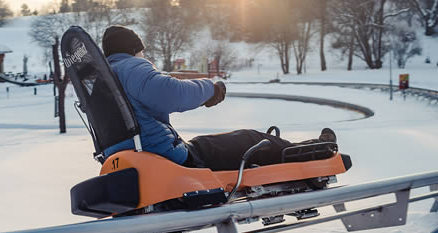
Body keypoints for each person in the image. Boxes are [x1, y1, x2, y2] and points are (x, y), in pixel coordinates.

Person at [100, 25, 336, 171]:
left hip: (136, 157)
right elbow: (172, 93)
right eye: (141, 50)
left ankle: (299, 150)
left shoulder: (104, 79)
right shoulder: (132, 67)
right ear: (133, 50)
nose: (144, 55)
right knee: (249, 140)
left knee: (215, 142)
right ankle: (315, 152)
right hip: (167, 158)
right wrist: (210, 89)